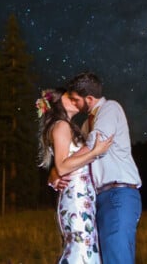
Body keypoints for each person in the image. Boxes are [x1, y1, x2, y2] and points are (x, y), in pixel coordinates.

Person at [52, 72, 142, 264]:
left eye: (76, 100)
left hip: (118, 192)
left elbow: (94, 145)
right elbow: (78, 156)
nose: (74, 104)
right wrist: (55, 172)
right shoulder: (86, 124)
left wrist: (61, 167)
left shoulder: (110, 108)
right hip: (97, 199)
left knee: (117, 258)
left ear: (89, 99)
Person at [37, 87, 114, 264]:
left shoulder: (67, 127)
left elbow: (62, 164)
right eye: (69, 98)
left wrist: (53, 174)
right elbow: (63, 166)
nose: (75, 100)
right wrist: (95, 152)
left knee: (85, 244)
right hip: (76, 197)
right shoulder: (61, 125)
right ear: (57, 104)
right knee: (80, 245)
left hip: (81, 195)